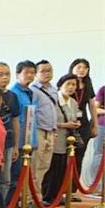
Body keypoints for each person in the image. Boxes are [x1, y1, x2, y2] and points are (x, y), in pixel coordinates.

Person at [42, 74, 81, 204]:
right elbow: (48, 121)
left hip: (67, 141)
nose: (71, 87)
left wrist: (75, 124)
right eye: (68, 84)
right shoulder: (53, 100)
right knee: (52, 169)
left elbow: (75, 117)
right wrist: (65, 125)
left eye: (74, 85)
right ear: (60, 85)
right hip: (54, 138)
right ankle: (47, 196)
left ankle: (57, 196)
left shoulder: (73, 102)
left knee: (62, 169)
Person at [0, 62, 20, 208]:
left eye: (7, 74)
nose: (5, 77)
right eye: (1, 74)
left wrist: (15, 145)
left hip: (7, 143)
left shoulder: (13, 97)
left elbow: (15, 120)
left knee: (6, 179)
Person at [8, 61, 38, 205]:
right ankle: (11, 205)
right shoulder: (14, 93)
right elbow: (15, 119)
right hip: (18, 141)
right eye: (26, 73)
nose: (30, 76)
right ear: (18, 74)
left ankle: (21, 201)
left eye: (32, 73)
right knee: (15, 176)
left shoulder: (30, 92)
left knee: (24, 175)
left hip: (29, 139)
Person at [30, 60, 60, 199]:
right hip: (39, 131)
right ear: (36, 73)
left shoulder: (53, 89)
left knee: (45, 166)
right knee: (35, 166)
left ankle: (38, 196)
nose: (47, 74)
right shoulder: (33, 90)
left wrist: (54, 131)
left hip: (50, 131)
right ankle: (33, 198)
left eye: (49, 70)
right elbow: (32, 113)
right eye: (43, 71)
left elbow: (53, 110)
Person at [69, 58, 97, 177]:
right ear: (73, 68)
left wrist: (94, 124)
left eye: (85, 68)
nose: (82, 70)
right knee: (67, 157)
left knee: (80, 156)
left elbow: (92, 106)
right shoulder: (68, 83)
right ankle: (62, 189)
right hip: (68, 123)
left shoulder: (88, 85)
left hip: (84, 124)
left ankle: (74, 190)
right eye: (79, 67)